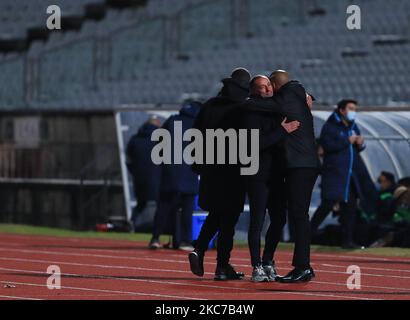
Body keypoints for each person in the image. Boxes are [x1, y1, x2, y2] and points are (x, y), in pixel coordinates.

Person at [251, 70, 320, 283]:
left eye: (269, 87)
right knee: (298, 215)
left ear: (274, 84)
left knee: (299, 215)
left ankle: (303, 266)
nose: (268, 91)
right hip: (305, 164)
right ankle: (302, 265)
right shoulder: (297, 94)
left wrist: (242, 101)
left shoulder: (286, 97)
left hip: (299, 165)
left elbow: (260, 104)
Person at [188, 68, 251, 281]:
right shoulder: (243, 108)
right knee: (228, 221)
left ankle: (199, 250)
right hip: (233, 171)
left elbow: (195, 136)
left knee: (215, 214)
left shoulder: (209, 106)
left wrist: (197, 164)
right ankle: (222, 266)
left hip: (210, 170)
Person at [240, 75, 300, 282]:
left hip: (277, 173)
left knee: (279, 219)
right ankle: (256, 265)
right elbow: (253, 144)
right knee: (257, 220)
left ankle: (267, 260)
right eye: (262, 87)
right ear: (254, 91)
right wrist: (281, 131)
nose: (267, 90)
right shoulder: (250, 112)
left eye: (269, 86)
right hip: (257, 173)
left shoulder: (277, 109)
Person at [310, 99, 367, 249]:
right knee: (327, 205)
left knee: (350, 208)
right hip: (335, 174)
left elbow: (358, 148)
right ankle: (306, 235)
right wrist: (346, 141)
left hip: (350, 176)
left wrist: (361, 143)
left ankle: (347, 240)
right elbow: (327, 146)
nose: (354, 111)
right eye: (351, 108)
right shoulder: (331, 127)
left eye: (355, 109)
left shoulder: (354, 126)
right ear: (342, 110)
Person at [149, 101, 201, 250]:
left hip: (170, 171)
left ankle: (155, 238)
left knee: (164, 207)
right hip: (190, 171)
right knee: (187, 209)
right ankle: (184, 241)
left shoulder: (172, 120)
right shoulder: (197, 123)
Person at [126, 117, 161, 224]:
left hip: (139, 178)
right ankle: (160, 227)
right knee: (162, 204)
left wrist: (135, 172)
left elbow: (128, 160)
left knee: (141, 203)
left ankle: (132, 223)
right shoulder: (160, 139)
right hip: (157, 178)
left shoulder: (135, 139)